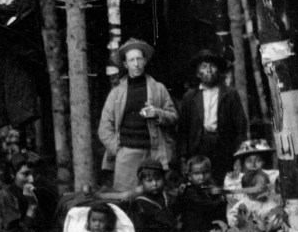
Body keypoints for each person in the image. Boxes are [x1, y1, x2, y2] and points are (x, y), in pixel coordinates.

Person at [98, 38, 178, 192]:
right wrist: (118, 150)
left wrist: (158, 113)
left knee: (154, 195)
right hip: (126, 155)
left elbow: (174, 117)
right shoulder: (116, 93)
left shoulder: (159, 89)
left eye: (139, 59)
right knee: (126, 198)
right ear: (125, 64)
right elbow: (104, 128)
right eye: (131, 60)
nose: (136, 64)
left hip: (154, 153)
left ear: (145, 61)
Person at [177, 49, 247, 185]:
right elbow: (183, 130)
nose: (208, 70)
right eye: (204, 67)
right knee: (200, 181)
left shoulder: (230, 94)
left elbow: (240, 127)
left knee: (222, 182)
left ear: (219, 70)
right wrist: (183, 158)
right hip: (198, 146)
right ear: (197, 73)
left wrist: (239, 156)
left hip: (223, 147)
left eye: (212, 66)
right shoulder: (190, 96)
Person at [224, 138, 280, 211]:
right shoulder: (233, 178)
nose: (253, 165)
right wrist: (233, 181)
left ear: (264, 161)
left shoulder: (274, 175)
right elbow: (236, 201)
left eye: (258, 161)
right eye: (249, 161)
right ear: (243, 162)